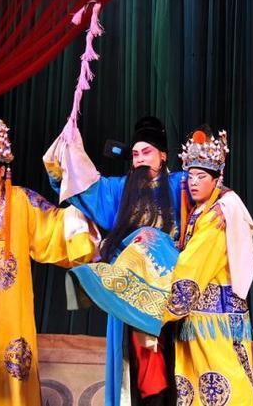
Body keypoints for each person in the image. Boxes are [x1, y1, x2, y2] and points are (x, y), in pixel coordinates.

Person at [0, 116, 98, 406]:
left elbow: (52, 226)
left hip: (15, 300)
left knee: (17, 360)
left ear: (3, 170)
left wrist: (78, 211)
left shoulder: (23, 200)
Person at [44, 116, 183, 405]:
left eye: (147, 152)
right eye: (136, 154)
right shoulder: (121, 188)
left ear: (163, 155)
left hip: (171, 287)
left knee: (174, 359)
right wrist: (69, 150)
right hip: (130, 288)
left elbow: (209, 190)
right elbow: (84, 186)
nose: (140, 159)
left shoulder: (179, 185)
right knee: (141, 359)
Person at [161, 127, 253, 405]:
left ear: (217, 180)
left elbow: (193, 265)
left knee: (222, 381)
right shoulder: (204, 210)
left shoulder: (218, 215)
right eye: (190, 176)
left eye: (201, 177)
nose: (193, 182)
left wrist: (160, 308)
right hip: (206, 314)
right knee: (202, 381)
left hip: (213, 318)